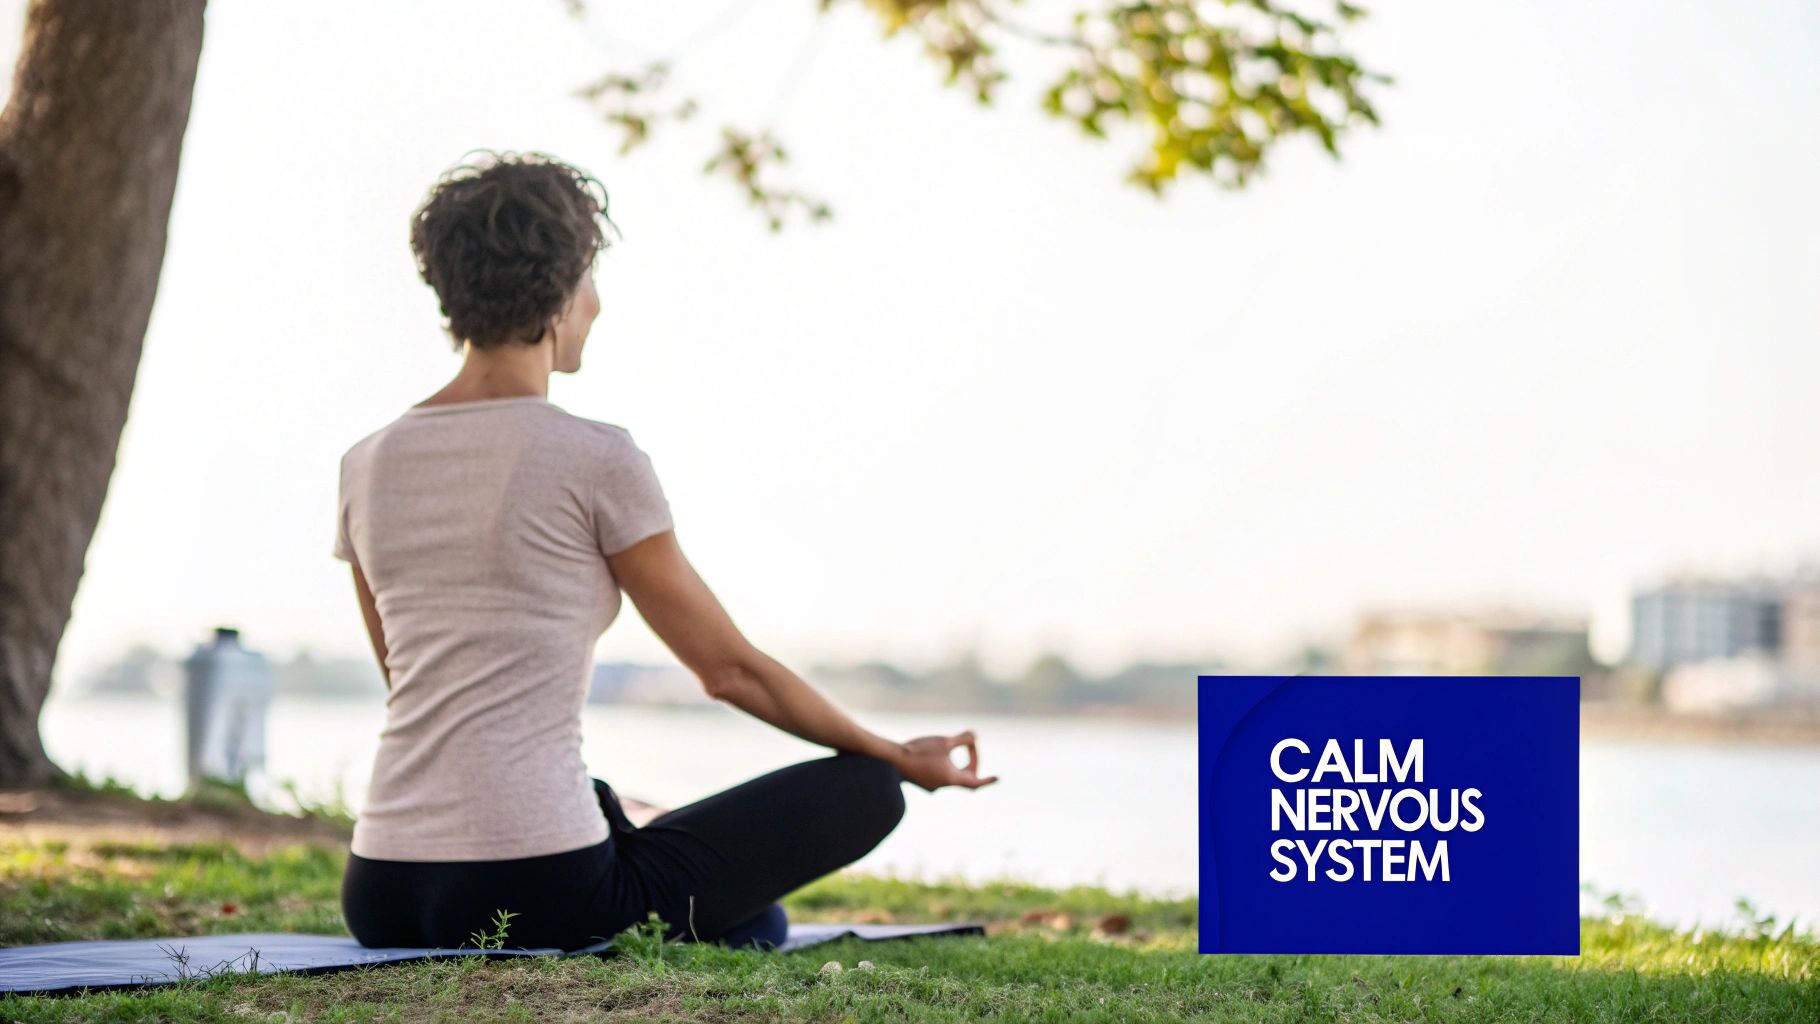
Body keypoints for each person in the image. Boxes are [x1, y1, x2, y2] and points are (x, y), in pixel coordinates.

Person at [334, 150, 998, 954]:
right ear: (561, 290)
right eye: (590, 278)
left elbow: (411, 682)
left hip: (382, 887)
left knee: (738, 905)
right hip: (536, 886)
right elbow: (730, 671)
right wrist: (897, 754)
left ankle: (635, 836)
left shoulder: (366, 463)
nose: (597, 302)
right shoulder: (595, 457)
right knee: (865, 791)